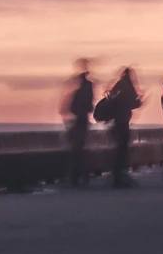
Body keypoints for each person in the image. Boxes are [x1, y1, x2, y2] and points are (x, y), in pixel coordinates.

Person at [95, 66, 143, 187]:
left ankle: (118, 176)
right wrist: (139, 101)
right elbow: (130, 103)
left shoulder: (118, 86)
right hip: (121, 122)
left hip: (116, 122)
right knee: (122, 150)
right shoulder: (126, 87)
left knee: (119, 150)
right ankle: (119, 176)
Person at [60, 60, 96, 188]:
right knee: (79, 150)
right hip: (82, 122)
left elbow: (68, 109)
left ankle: (76, 177)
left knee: (77, 151)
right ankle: (80, 176)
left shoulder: (79, 92)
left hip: (79, 122)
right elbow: (90, 107)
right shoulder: (86, 91)